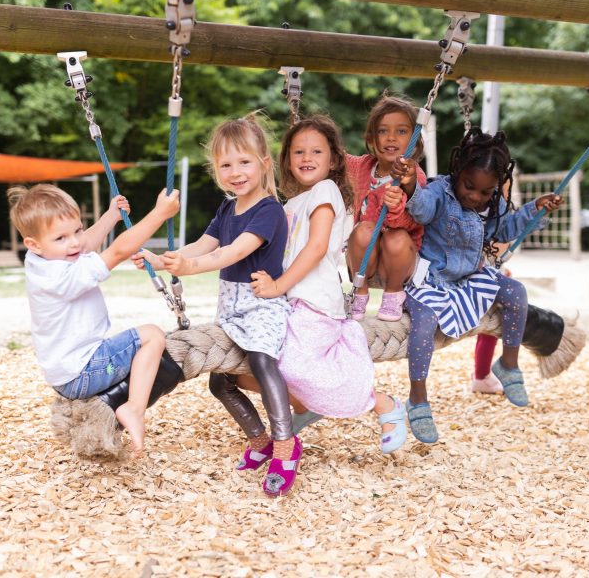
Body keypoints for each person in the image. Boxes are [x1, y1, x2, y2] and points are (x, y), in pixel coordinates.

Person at [138, 114, 301, 496]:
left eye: (244, 162)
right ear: (216, 171)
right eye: (226, 164)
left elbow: (233, 252)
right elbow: (202, 245)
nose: (235, 172)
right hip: (230, 310)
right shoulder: (228, 209)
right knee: (219, 382)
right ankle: (259, 442)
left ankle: (285, 445)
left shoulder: (268, 210)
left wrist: (191, 267)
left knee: (262, 361)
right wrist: (161, 259)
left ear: (263, 164)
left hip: (262, 306)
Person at [248, 115, 408, 453]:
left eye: (316, 152)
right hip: (291, 300)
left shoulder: (326, 191)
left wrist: (277, 286)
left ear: (334, 160)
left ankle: (382, 404)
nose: (306, 158)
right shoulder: (290, 203)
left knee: (295, 365)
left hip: (315, 299)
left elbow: (317, 247)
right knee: (264, 365)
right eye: (298, 152)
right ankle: (305, 407)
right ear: (287, 161)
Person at [394, 128, 562, 443]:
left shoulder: (491, 204)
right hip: (431, 278)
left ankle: (508, 364)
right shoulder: (440, 192)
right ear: (457, 172)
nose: (474, 196)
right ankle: (417, 398)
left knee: (515, 291)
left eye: (484, 192)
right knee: (424, 322)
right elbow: (421, 208)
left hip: (469, 278)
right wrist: (407, 185)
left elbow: (506, 228)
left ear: (495, 189)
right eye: (469, 186)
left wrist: (536, 209)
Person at [7, 183, 180, 457]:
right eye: (61, 238)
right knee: (153, 335)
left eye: (76, 230)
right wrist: (159, 214)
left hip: (65, 373)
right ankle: (134, 409)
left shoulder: (40, 258)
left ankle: (120, 401)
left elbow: (84, 243)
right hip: (84, 371)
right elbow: (118, 251)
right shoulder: (59, 277)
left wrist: (111, 216)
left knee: (138, 340)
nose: (74, 242)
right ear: (33, 243)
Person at [346, 93, 427, 322]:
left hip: (399, 265)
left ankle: (393, 294)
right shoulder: (363, 167)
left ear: (415, 139)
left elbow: (416, 220)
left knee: (397, 237)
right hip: (364, 262)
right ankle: (359, 293)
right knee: (363, 230)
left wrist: (396, 208)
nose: (391, 138)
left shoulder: (413, 176)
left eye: (401, 131)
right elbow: (336, 157)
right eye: (383, 131)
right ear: (372, 138)